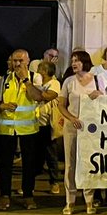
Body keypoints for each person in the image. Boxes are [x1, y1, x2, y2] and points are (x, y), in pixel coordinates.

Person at [0, 49, 54, 212]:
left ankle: (28, 195)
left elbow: (37, 97)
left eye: (20, 61)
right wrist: (3, 105)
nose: (17, 64)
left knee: (29, 164)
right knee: (5, 164)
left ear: (27, 61)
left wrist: (26, 81)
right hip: (7, 128)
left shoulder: (35, 77)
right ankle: (4, 195)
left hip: (28, 128)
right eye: (14, 60)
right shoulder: (5, 79)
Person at [57, 49, 101, 215]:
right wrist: (71, 117)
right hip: (72, 126)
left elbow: (106, 101)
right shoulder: (69, 81)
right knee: (70, 164)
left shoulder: (96, 79)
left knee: (89, 162)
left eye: (77, 60)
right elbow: (61, 104)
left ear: (85, 62)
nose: (74, 63)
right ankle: (70, 200)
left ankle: (89, 199)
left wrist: (99, 95)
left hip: (91, 128)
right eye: (73, 60)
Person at [34, 61, 64, 195]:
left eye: (39, 69)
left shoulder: (54, 83)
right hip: (35, 123)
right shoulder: (38, 84)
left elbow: (47, 96)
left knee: (51, 154)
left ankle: (54, 182)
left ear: (45, 71)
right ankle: (29, 184)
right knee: (34, 155)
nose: (37, 72)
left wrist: (35, 90)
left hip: (48, 125)